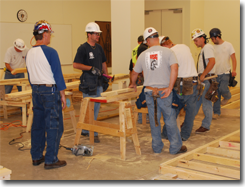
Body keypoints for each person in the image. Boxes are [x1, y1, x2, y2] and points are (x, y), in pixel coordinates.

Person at [129, 27, 187, 154]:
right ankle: (175, 148)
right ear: (157, 38)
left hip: (150, 93)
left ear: (147, 41)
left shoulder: (143, 55)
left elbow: (134, 73)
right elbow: (175, 69)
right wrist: (170, 88)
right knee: (170, 120)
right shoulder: (168, 52)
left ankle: (156, 147)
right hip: (165, 92)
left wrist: (132, 84)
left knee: (154, 120)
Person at [26, 20, 67, 169]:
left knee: (38, 125)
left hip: (36, 92)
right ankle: (51, 159)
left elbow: (30, 76)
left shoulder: (29, 53)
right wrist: (62, 94)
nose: (50, 36)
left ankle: (36, 157)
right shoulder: (51, 52)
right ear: (44, 34)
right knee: (54, 126)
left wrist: (36, 89)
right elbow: (58, 75)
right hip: (50, 92)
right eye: (49, 33)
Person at [73, 22, 108, 143]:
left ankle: (87, 130)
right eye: (96, 34)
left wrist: (106, 76)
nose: (98, 36)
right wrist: (90, 68)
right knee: (89, 108)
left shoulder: (99, 48)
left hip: (98, 82)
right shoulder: (83, 48)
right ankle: (93, 131)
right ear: (89, 34)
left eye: (98, 34)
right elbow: (76, 64)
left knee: (97, 107)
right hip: (88, 83)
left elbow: (103, 62)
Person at [160, 36, 198, 141]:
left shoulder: (169, 52)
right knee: (190, 111)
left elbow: (171, 70)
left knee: (174, 109)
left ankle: (166, 133)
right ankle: (185, 135)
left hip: (181, 84)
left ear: (163, 45)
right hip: (194, 82)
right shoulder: (184, 46)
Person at [191, 28, 216, 133]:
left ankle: (206, 126)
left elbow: (212, 61)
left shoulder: (208, 48)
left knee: (206, 103)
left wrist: (204, 75)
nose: (195, 43)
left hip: (207, 79)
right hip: (203, 78)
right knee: (196, 102)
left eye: (196, 40)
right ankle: (189, 121)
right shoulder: (203, 50)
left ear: (202, 38)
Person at [209, 28, 237, 119]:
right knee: (216, 93)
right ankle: (216, 112)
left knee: (223, 88)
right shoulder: (212, 47)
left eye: (213, 39)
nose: (212, 41)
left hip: (225, 72)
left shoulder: (228, 45)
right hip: (215, 73)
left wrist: (234, 70)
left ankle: (228, 96)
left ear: (217, 36)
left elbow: (233, 58)